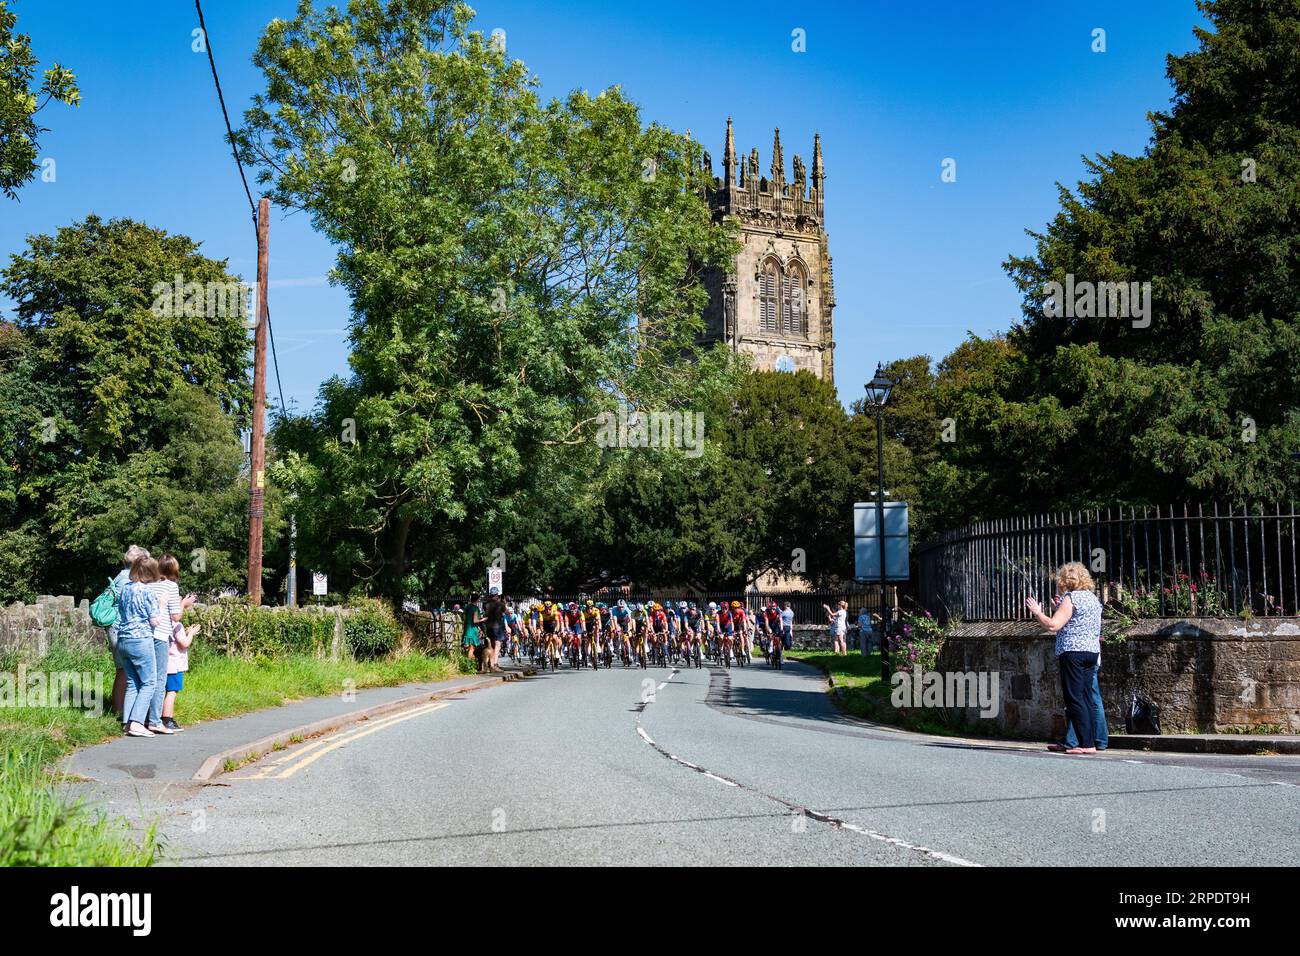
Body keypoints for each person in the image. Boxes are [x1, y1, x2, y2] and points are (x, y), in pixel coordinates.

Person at [1027, 562, 1104, 755]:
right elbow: (1078, 622)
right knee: (1086, 698)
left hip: (1073, 652)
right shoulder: (1092, 599)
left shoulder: (1071, 598)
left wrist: (1037, 612)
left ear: (1065, 581)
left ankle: (1085, 744)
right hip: (1091, 652)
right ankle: (1088, 742)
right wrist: (1058, 607)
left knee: (1074, 698)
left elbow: (1053, 625)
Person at [117, 556, 164, 737]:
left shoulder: (125, 588)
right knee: (149, 682)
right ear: (152, 572)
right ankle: (137, 723)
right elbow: (155, 620)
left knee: (132, 683)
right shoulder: (148, 592)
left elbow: (121, 611)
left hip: (123, 639)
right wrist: (160, 604)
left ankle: (127, 722)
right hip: (141, 640)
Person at [106, 545, 150, 719]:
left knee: (124, 670)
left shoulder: (122, 576)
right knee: (124, 671)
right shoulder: (127, 580)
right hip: (121, 628)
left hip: (119, 628)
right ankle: (119, 711)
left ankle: (123, 710)